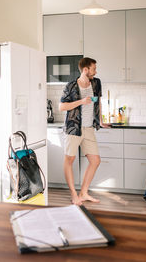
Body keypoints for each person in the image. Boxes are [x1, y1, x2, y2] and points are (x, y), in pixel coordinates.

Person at [59, 57, 109, 205]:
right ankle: (74, 195)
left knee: (95, 160)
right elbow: (62, 107)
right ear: (85, 69)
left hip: (89, 128)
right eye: (93, 69)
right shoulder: (71, 86)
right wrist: (81, 101)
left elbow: (98, 102)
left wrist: (100, 121)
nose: (96, 71)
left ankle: (84, 192)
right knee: (69, 160)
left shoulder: (96, 82)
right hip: (73, 128)